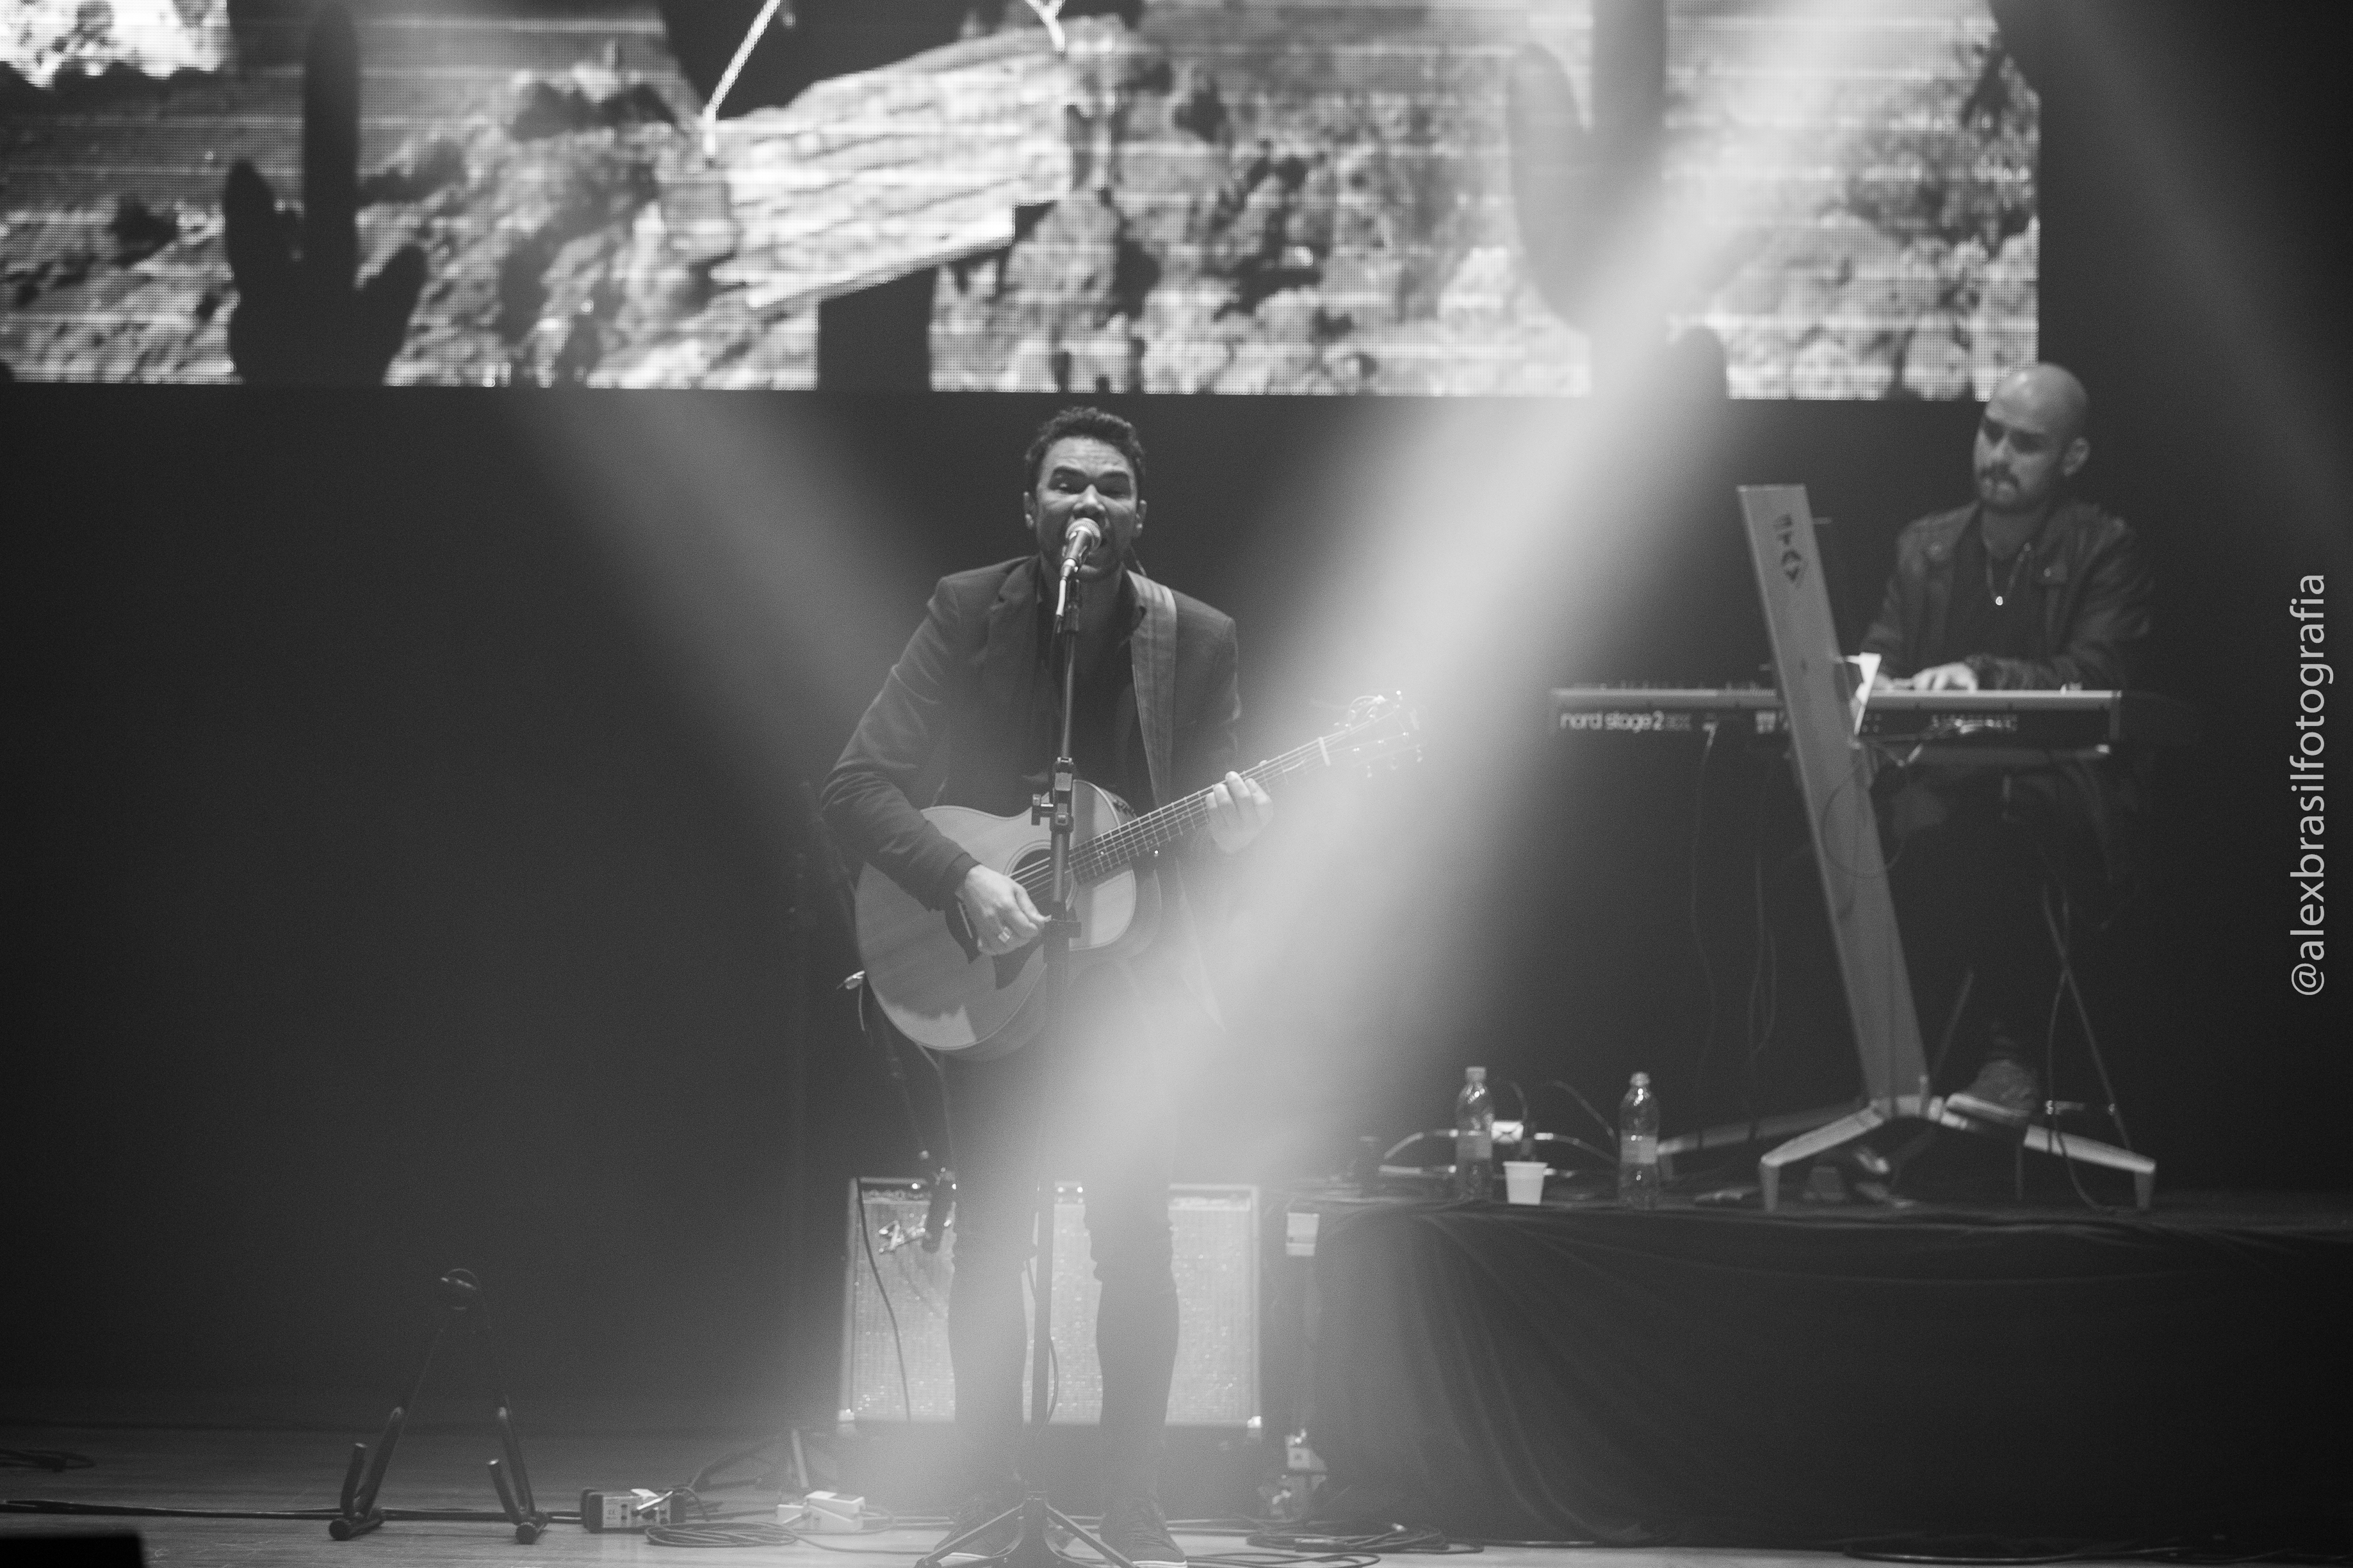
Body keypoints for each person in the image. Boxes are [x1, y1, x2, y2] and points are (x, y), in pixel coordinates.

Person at [820, 407, 1272, 1568]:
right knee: (993, 1245)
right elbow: (855, 786)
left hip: (1129, 992)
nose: (1087, 505)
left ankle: (1131, 1504)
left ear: (1138, 514)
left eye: (1110, 489)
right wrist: (964, 877)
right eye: (1066, 485)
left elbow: (1209, 826)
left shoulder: (1196, 639)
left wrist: (1233, 838)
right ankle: (992, 1496)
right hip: (992, 971)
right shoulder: (968, 609)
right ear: (1031, 507)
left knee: (1136, 1245)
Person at [1859, 363, 2154, 1131]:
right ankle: (1857, 1074)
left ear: (2071, 457)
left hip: (2058, 793)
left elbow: (2095, 675)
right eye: (1990, 432)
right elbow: (1879, 661)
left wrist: (1979, 675)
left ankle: (2007, 1059)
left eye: (2025, 443)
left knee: (1989, 829)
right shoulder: (1923, 546)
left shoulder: (2104, 548)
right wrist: (1858, 686)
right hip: (1930, 786)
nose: (1997, 455)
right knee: (1827, 838)